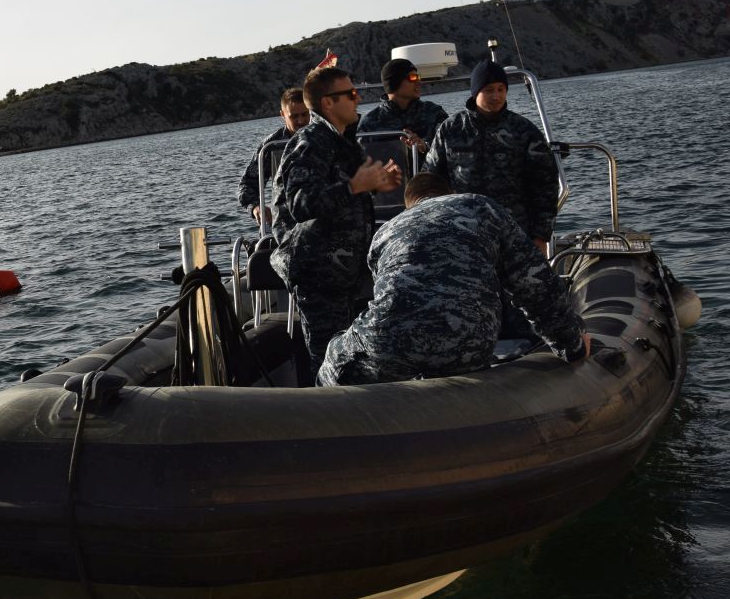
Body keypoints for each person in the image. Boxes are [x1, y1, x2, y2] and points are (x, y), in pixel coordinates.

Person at [318, 174, 588, 386]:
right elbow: (536, 284)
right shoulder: (481, 206)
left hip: (392, 342)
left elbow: (390, 295)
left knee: (333, 359)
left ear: (409, 204)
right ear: (450, 193)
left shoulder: (387, 231)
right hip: (470, 342)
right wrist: (571, 345)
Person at [270, 64, 402, 381]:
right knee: (327, 360)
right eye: (351, 94)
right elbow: (300, 204)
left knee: (350, 358)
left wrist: (376, 184)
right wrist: (355, 186)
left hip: (345, 271)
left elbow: (344, 192)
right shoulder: (310, 143)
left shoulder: (342, 142)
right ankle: (326, 410)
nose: (358, 99)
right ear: (328, 103)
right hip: (319, 273)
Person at [423, 57, 559, 251]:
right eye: (489, 90)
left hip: (514, 232)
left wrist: (541, 236)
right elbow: (430, 179)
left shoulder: (524, 130)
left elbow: (546, 184)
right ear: (475, 92)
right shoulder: (451, 129)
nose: (496, 96)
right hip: (463, 232)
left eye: (501, 89)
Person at [238, 87, 309, 225]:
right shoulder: (271, 146)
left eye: (305, 114)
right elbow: (247, 184)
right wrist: (256, 207)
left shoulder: (327, 136)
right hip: (287, 224)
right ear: (282, 115)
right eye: (294, 116)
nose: (300, 120)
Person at [357, 57, 448, 159]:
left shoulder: (434, 113)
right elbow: (360, 160)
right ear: (394, 82)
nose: (419, 82)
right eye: (413, 77)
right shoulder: (369, 125)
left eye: (418, 77)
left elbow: (451, 146)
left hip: (428, 169)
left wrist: (425, 146)